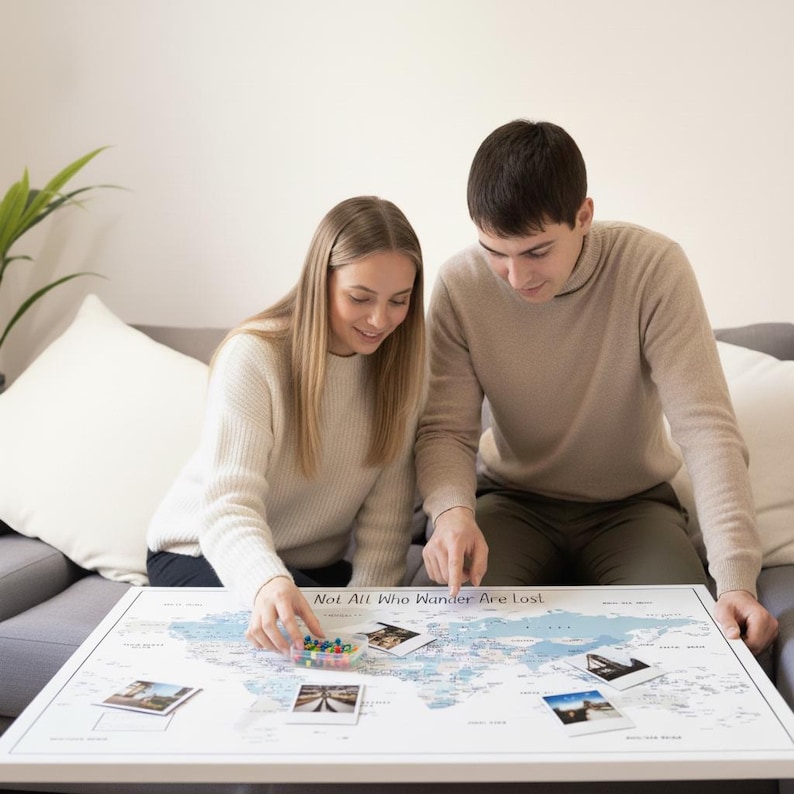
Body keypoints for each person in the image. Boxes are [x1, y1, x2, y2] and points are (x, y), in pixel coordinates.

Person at [415, 120, 778, 655]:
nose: (515, 277)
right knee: (452, 639)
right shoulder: (459, 285)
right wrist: (452, 514)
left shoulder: (653, 268)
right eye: (495, 252)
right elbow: (445, 429)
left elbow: (706, 428)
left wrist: (736, 581)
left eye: (537, 252)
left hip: (632, 508)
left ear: (583, 216)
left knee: (687, 648)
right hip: (511, 502)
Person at [147, 196, 425, 654]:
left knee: (374, 648)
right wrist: (266, 581)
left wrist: (372, 614)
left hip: (310, 569)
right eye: (360, 298)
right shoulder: (254, 356)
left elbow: (386, 526)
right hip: (205, 552)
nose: (380, 320)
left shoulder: (402, 371)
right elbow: (228, 507)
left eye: (399, 301)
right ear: (320, 281)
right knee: (313, 646)